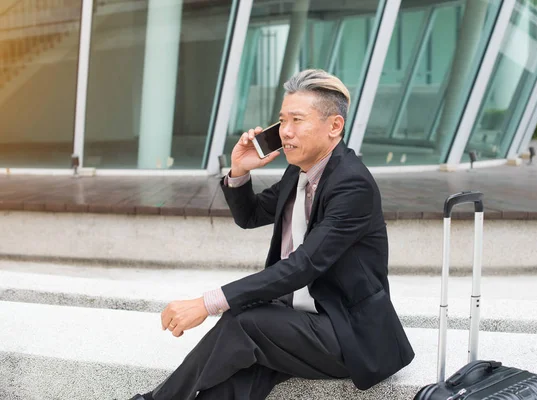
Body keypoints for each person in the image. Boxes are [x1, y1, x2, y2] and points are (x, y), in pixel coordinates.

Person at [130, 69, 414, 400]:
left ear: (334, 126)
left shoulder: (352, 184)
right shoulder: (299, 171)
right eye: (282, 122)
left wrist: (207, 304)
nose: (286, 132)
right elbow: (249, 216)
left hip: (347, 334)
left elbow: (302, 266)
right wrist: (239, 171)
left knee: (241, 321)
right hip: (298, 322)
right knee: (235, 380)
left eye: (297, 120)